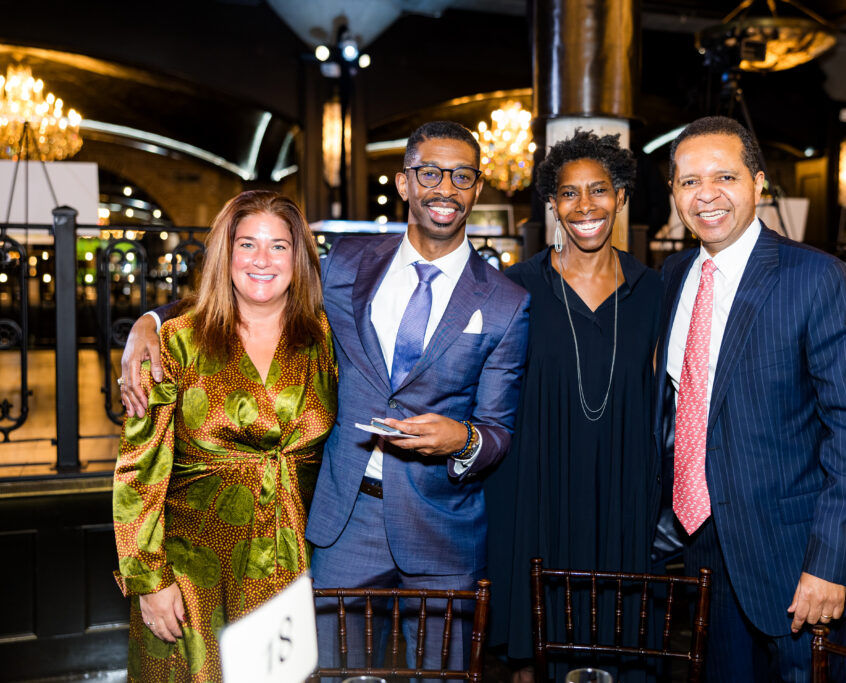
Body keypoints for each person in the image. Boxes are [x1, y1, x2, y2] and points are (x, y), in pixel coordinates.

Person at [121, 122, 529, 673]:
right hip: (343, 523)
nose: (445, 188)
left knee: (444, 673)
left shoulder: (506, 301)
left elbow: (498, 429)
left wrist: (465, 440)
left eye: (461, 176)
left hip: (441, 530)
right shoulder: (348, 265)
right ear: (404, 183)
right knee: (335, 672)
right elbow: (254, 288)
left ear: (477, 187)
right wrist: (148, 322)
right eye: (430, 173)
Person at [653, 116, 846, 681]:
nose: (706, 195)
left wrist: (832, 565)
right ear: (673, 193)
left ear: (759, 183)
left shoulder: (818, 278)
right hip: (704, 556)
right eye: (689, 181)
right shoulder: (673, 276)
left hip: (798, 565)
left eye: (725, 177)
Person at [112, 190, 337, 681]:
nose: (262, 260)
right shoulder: (175, 342)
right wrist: (149, 580)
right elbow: (139, 472)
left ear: (298, 258)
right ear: (225, 254)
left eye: (279, 246)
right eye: (247, 244)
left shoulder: (326, 338)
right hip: (190, 579)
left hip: (293, 571)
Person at [485, 130, 663, 682]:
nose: (585, 206)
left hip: (623, 497)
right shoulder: (514, 288)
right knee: (534, 656)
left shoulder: (654, 291)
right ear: (552, 204)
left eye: (599, 190)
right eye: (568, 193)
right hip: (537, 493)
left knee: (621, 643)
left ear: (621, 196)